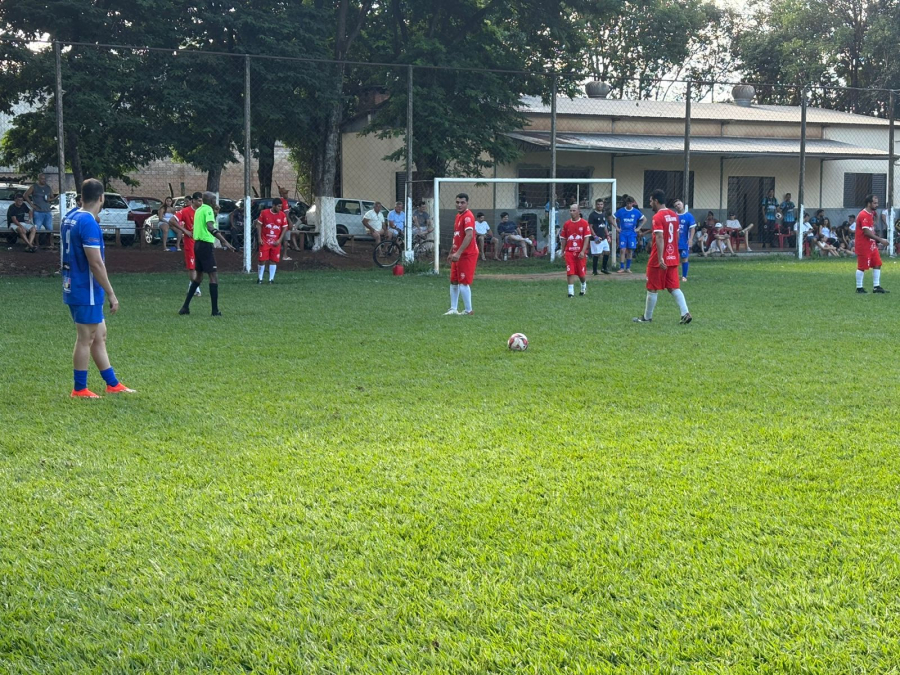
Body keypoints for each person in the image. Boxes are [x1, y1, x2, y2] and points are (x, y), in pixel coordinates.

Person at [61, 178, 134, 398]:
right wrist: (111, 294)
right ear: (101, 197)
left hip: (73, 284)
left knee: (99, 335)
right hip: (85, 288)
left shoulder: (70, 216)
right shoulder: (88, 222)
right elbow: (95, 262)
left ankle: (112, 384)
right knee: (86, 337)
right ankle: (79, 389)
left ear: (82, 196)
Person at [633, 190, 691, 325]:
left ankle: (647, 317)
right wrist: (672, 252)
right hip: (672, 257)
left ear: (656, 201)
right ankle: (685, 313)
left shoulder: (658, 217)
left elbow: (659, 237)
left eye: (651, 201)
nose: (650, 203)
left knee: (652, 287)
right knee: (673, 287)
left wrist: (660, 258)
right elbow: (676, 236)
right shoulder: (674, 215)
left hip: (658, 259)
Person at [179, 192, 236, 315]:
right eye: (214, 199)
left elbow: (207, 223)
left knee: (198, 277)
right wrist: (225, 241)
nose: (215, 202)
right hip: (205, 245)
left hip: (197, 245)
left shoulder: (200, 209)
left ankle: (185, 307)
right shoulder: (208, 209)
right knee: (213, 276)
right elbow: (210, 227)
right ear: (209, 201)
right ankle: (215, 311)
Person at [444, 193, 478, 315]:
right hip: (457, 253)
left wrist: (458, 253)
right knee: (453, 280)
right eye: (457, 202)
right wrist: (451, 252)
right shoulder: (458, 216)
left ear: (467, 203)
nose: (459, 205)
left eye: (462, 202)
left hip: (467, 254)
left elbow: (469, 235)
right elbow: (457, 236)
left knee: (464, 282)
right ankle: (453, 308)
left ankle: (469, 310)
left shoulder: (468, 216)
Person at [855, 193, 889, 294]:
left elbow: (871, 226)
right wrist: (880, 240)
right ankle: (859, 288)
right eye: (875, 203)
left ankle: (876, 287)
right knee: (862, 267)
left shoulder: (871, 213)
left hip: (871, 245)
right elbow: (866, 232)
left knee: (877, 263)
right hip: (863, 244)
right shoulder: (863, 214)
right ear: (869, 203)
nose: (877, 205)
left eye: (877, 203)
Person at [170, 192, 202, 298]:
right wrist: (185, 231)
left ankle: (191, 286)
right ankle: (196, 289)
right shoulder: (185, 211)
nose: (201, 203)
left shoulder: (203, 211)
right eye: (199, 200)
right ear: (193, 200)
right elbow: (172, 220)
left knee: (199, 267)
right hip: (190, 242)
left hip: (201, 242)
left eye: (202, 200)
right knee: (192, 267)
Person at [559, 204, 591, 297]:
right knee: (570, 271)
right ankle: (570, 293)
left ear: (578, 211)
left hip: (580, 252)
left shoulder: (584, 223)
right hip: (569, 252)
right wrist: (563, 251)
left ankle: (583, 285)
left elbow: (586, 238)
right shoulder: (567, 224)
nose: (572, 212)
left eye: (574, 210)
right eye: (570, 210)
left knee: (581, 273)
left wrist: (583, 251)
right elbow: (564, 239)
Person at [255, 199, 289, 284]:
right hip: (265, 240)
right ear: (273, 205)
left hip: (275, 242)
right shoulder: (264, 213)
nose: (280, 208)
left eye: (281, 206)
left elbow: (285, 227)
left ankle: (271, 279)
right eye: (279, 206)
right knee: (262, 260)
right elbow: (259, 225)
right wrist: (259, 238)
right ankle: (260, 279)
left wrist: (279, 240)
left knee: (273, 260)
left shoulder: (282, 215)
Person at [610, 195, 645, 274]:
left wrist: (638, 228)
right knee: (622, 250)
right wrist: (617, 228)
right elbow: (612, 218)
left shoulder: (636, 211)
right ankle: (622, 267)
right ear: (625, 203)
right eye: (627, 203)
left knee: (630, 250)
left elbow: (644, 219)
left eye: (630, 203)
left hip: (632, 234)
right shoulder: (621, 211)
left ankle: (628, 267)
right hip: (623, 233)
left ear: (633, 203)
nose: (629, 205)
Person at [23, 172, 55, 250]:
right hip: (38, 211)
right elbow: (25, 195)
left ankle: (50, 244)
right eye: (42, 178)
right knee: (37, 229)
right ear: (38, 179)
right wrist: (31, 204)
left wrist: (50, 200)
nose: (43, 180)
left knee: (50, 229)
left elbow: (52, 197)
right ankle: (37, 244)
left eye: (44, 179)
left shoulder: (48, 187)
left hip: (47, 211)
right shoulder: (34, 187)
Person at [587, 198, 611, 275]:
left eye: (601, 204)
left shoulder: (603, 214)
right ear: (596, 205)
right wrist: (595, 236)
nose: (600, 206)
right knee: (597, 254)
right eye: (598, 204)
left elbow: (604, 226)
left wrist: (607, 235)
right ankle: (594, 270)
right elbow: (590, 226)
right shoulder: (592, 215)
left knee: (607, 252)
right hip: (596, 238)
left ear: (603, 205)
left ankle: (604, 268)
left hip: (603, 237)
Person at [674, 199, 696, 281]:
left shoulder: (688, 216)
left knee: (684, 258)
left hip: (684, 241)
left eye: (678, 204)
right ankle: (674, 276)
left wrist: (690, 239)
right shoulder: (673, 216)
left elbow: (692, 228)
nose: (677, 206)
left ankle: (684, 276)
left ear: (682, 204)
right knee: (674, 259)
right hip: (674, 242)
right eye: (676, 205)